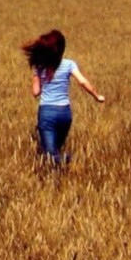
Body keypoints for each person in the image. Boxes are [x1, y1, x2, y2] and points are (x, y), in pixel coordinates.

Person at [22, 29, 105, 167]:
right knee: (54, 150)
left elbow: (36, 92)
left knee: (50, 155)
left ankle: (68, 159)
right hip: (65, 114)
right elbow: (82, 81)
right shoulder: (69, 64)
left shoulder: (39, 66)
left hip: (47, 113)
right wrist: (97, 96)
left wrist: (37, 77)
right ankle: (57, 177)